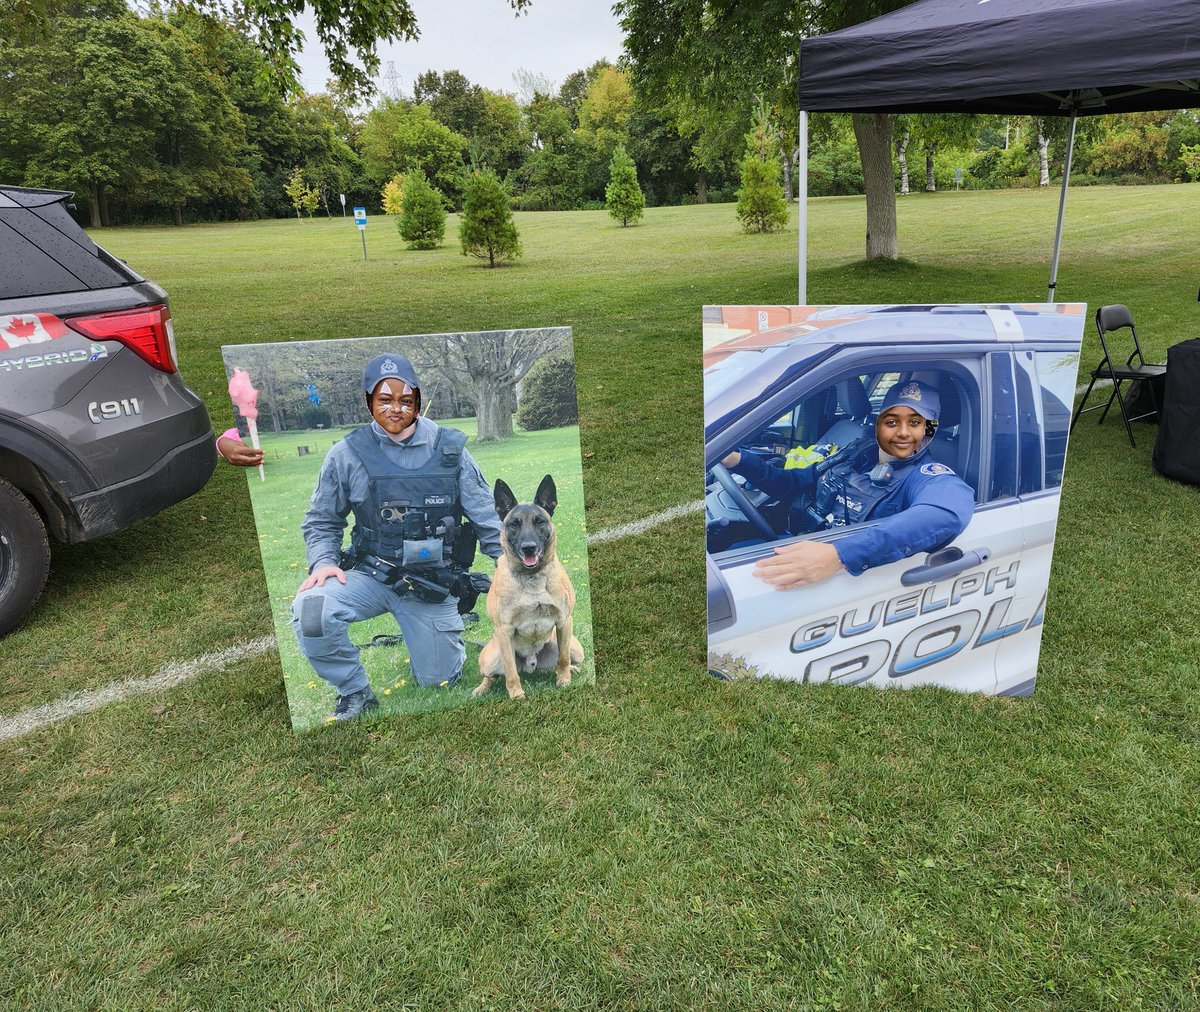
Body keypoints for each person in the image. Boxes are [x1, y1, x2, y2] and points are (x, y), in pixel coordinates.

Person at [291, 353, 503, 721]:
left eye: (405, 400)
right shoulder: (346, 454)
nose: (395, 408)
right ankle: (354, 692)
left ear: (417, 400)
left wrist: (506, 563)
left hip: (431, 583)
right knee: (312, 610)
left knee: (438, 681)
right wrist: (323, 561)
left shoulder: (451, 450)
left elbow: (486, 516)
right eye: (384, 400)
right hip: (371, 575)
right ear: (368, 401)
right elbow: (322, 519)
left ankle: (444, 637)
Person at [720, 379, 974, 590]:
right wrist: (738, 460)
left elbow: (945, 515)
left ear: (930, 429)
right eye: (893, 421)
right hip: (798, 544)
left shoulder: (928, 476)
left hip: (838, 576)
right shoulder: (855, 455)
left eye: (916, 423)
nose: (904, 432)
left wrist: (839, 555)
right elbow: (790, 484)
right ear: (878, 424)